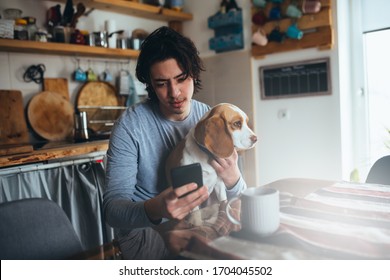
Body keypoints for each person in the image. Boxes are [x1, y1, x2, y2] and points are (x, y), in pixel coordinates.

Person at [103, 26, 247, 259]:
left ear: (194, 74)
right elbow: (112, 211)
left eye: (181, 79)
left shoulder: (211, 119)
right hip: (146, 232)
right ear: (150, 84)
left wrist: (233, 179)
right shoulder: (130, 126)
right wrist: (155, 209)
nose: (175, 93)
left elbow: (238, 196)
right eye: (162, 83)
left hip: (202, 222)